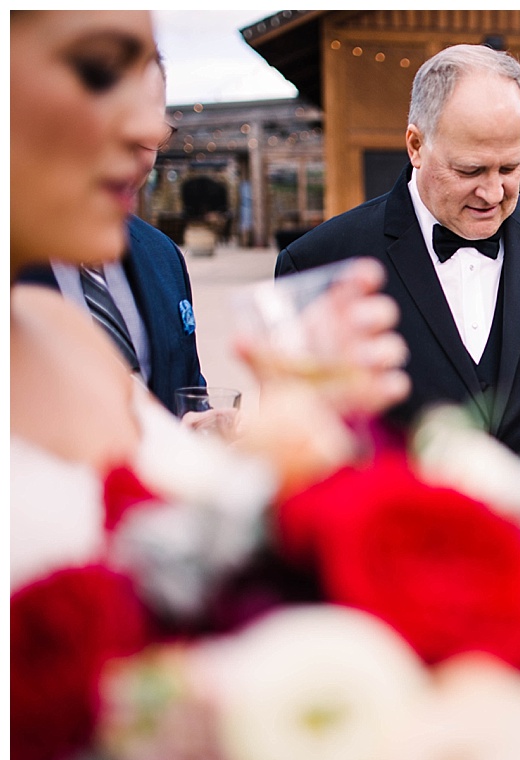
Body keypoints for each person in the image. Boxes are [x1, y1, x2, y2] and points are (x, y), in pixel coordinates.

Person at [10, 10, 408, 595]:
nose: (145, 132)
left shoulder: (55, 330)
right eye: (97, 69)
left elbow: (167, 540)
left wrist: (295, 423)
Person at [275, 43, 520, 458]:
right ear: (416, 145)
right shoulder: (317, 264)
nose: (493, 193)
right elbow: (292, 443)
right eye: (469, 170)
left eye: (510, 168)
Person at [17, 55, 205, 411]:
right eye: (114, 129)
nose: (133, 161)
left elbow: (188, 391)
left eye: (149, 135)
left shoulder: (163, 255)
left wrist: (197, 430)